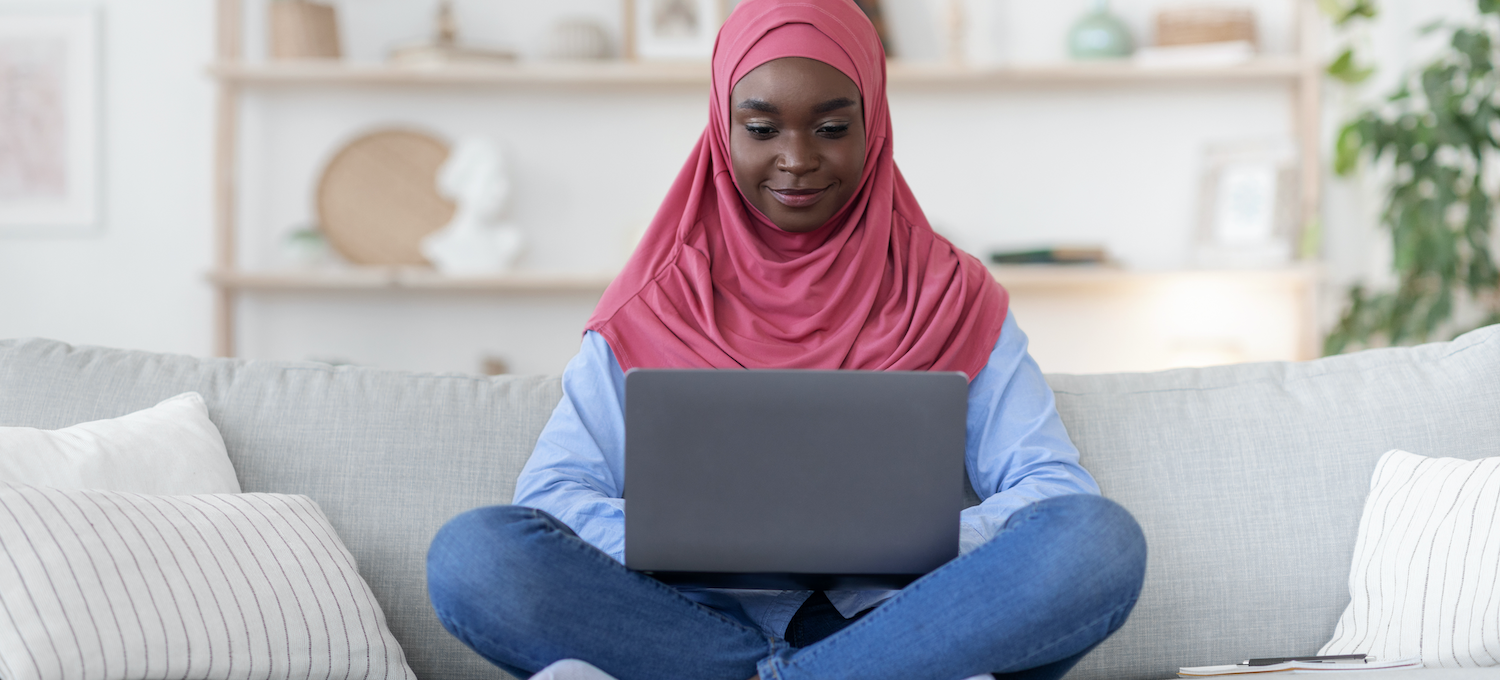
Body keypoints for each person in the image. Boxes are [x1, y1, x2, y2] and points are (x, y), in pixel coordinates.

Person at [425, 1, 1147, 678]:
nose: (796, 159)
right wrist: (686, 541)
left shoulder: (951, 295)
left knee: (1097, 543)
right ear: (722, 128)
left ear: (875, 125)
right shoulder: (659, 299)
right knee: (474, 557)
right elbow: (551, 496)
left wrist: (906, 543)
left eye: (831, 128)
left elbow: (1052, 487)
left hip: (901, 625)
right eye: (762, 128)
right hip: (682, 628)